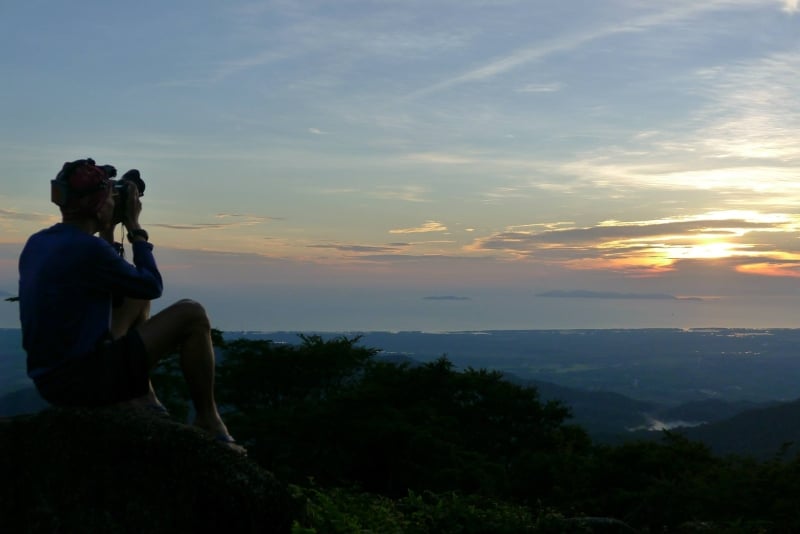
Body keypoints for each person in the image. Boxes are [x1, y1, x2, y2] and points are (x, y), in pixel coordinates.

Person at [18, 158, 244, 454]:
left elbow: (118, 284)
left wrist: (107, 231)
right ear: (99, 204)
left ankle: (143, 398)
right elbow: (152, 284)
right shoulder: (88, 249)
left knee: (136, 297)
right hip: (84, 382)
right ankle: (209, 421)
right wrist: (136, 229)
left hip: (50, 380)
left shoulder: (39, 242)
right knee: (193, 313)